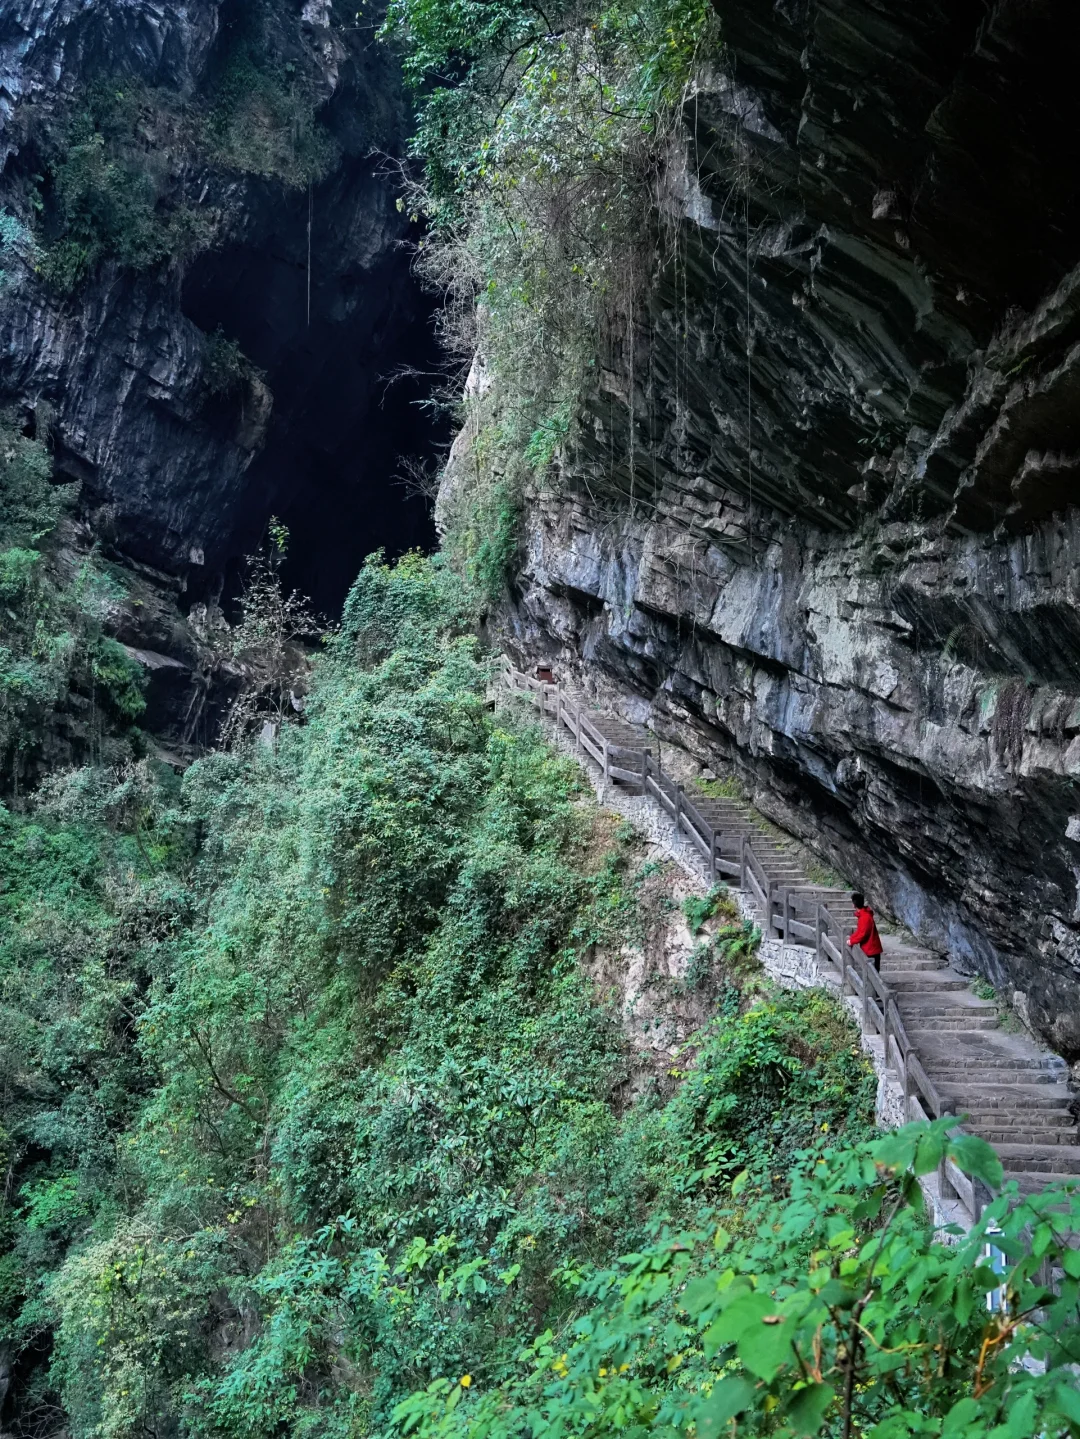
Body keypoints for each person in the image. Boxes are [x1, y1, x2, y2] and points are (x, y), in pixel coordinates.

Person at [847, 891, 883, 970]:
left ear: (854, 904)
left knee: (872, 972)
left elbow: (863, 934)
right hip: (871, 948)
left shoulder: (865, 917)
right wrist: (852, 938)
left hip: (871, 949)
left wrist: (852, 941)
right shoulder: (864, 915)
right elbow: (860, 931)